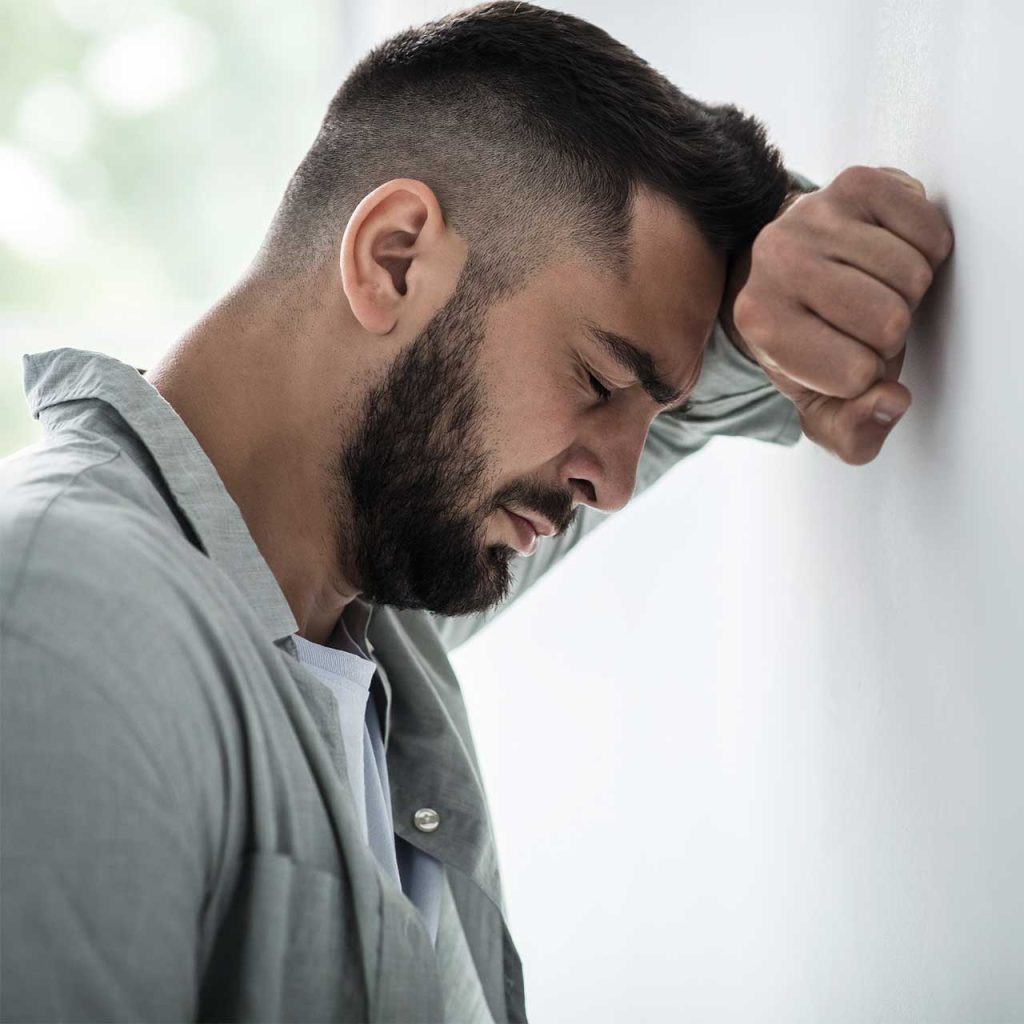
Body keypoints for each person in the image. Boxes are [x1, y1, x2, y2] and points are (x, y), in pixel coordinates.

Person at [0, 2, 952, 1021]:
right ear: (395, 258)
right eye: (595, 380)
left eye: (645, 412)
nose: (615, 483)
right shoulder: (64, 622)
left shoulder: (368, 592)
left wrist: (784, 274)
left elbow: (734, 369)